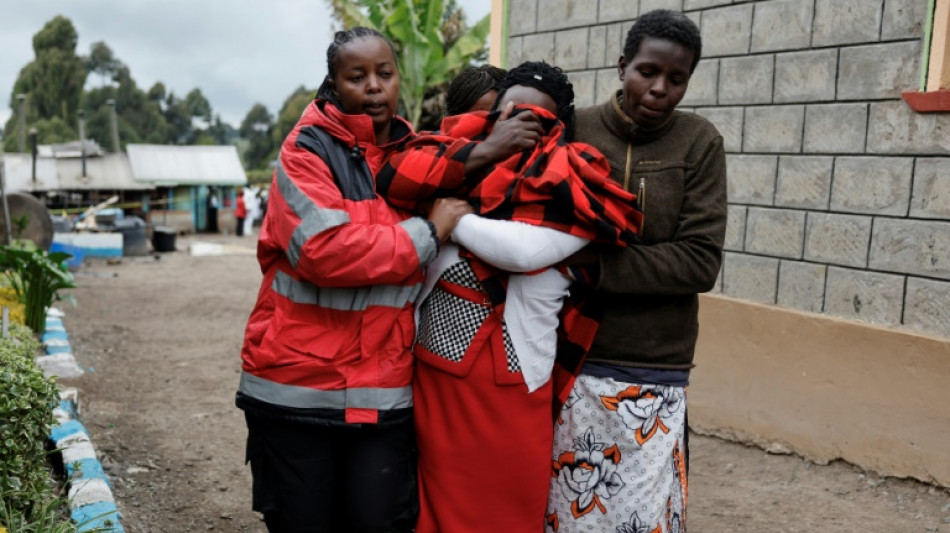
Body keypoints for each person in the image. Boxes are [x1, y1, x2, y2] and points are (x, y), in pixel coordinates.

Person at [378, 61, 641, 532]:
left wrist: (451, 220)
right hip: (435, 379)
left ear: (558, 126)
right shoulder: (459, 161)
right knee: (433, 509)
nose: (519, 126)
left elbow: (522, 252)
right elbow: (393, 174)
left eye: (536, 118)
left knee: (506, 510)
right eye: (508, 113)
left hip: (514, 386)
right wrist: (473, 165)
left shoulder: (572, 184)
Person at [234, 27, 470, 533]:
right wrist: (428, 231)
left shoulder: (417, 160)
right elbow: (324, 253)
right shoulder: (305, 153)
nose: (373, 87)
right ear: (333, 83)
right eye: (356, 76)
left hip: (383, 398)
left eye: (384, 74)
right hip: (295, 392)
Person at [545, 10, 727, 533]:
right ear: (622, 65)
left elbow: (699, 260)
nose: (659, 89)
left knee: (643, 517)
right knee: (569, 513)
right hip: (571, 360)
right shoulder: (575, 130)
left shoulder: (699, 144)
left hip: (654, 367)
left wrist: (594, 264)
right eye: (647, 71)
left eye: (676, 79)